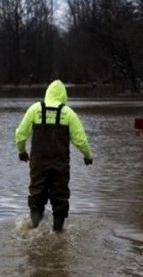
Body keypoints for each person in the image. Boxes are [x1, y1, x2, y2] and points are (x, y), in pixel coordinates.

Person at [15, 80, 93, 232]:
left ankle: (35, 230)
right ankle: (57, 233)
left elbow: (20, 134)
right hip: (60, 165)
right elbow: (80, 140)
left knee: (36, 196)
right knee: (60, 198)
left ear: (47, 94)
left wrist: (21, 151)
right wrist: (88, 156)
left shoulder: (35, 109)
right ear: (64, 96)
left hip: (38, 164)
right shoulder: (69, 113)